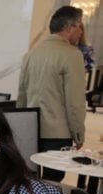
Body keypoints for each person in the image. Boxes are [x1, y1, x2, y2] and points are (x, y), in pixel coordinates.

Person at [17, 6, 85, 182]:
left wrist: (21, 128)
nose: (81, 32)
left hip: (31, 129)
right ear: (70, 27)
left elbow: (22, 94)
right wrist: (78, 133)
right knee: (51, 183)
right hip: (57, 133)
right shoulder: (72, 55)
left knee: (29, 180)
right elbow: (75, 101)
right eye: (80, 27)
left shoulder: (31, 54)